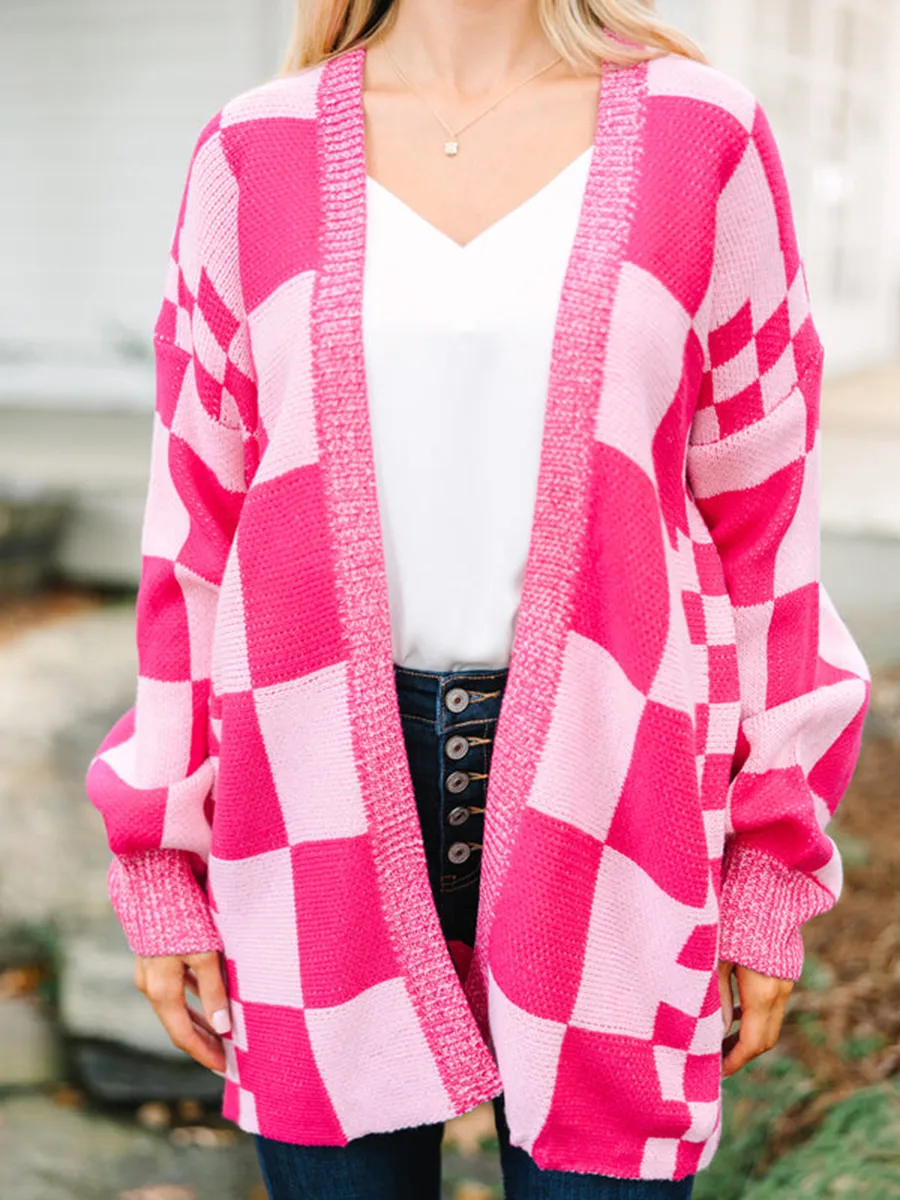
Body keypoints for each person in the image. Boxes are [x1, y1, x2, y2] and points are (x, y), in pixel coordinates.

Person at [84, 1, 871, 1197]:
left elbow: (768, 530)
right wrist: (159, 859)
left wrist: (770, 864)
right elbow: (194, 529)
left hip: (624, 800)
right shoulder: (255, 150)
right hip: (306, 807)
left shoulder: (701, 139)